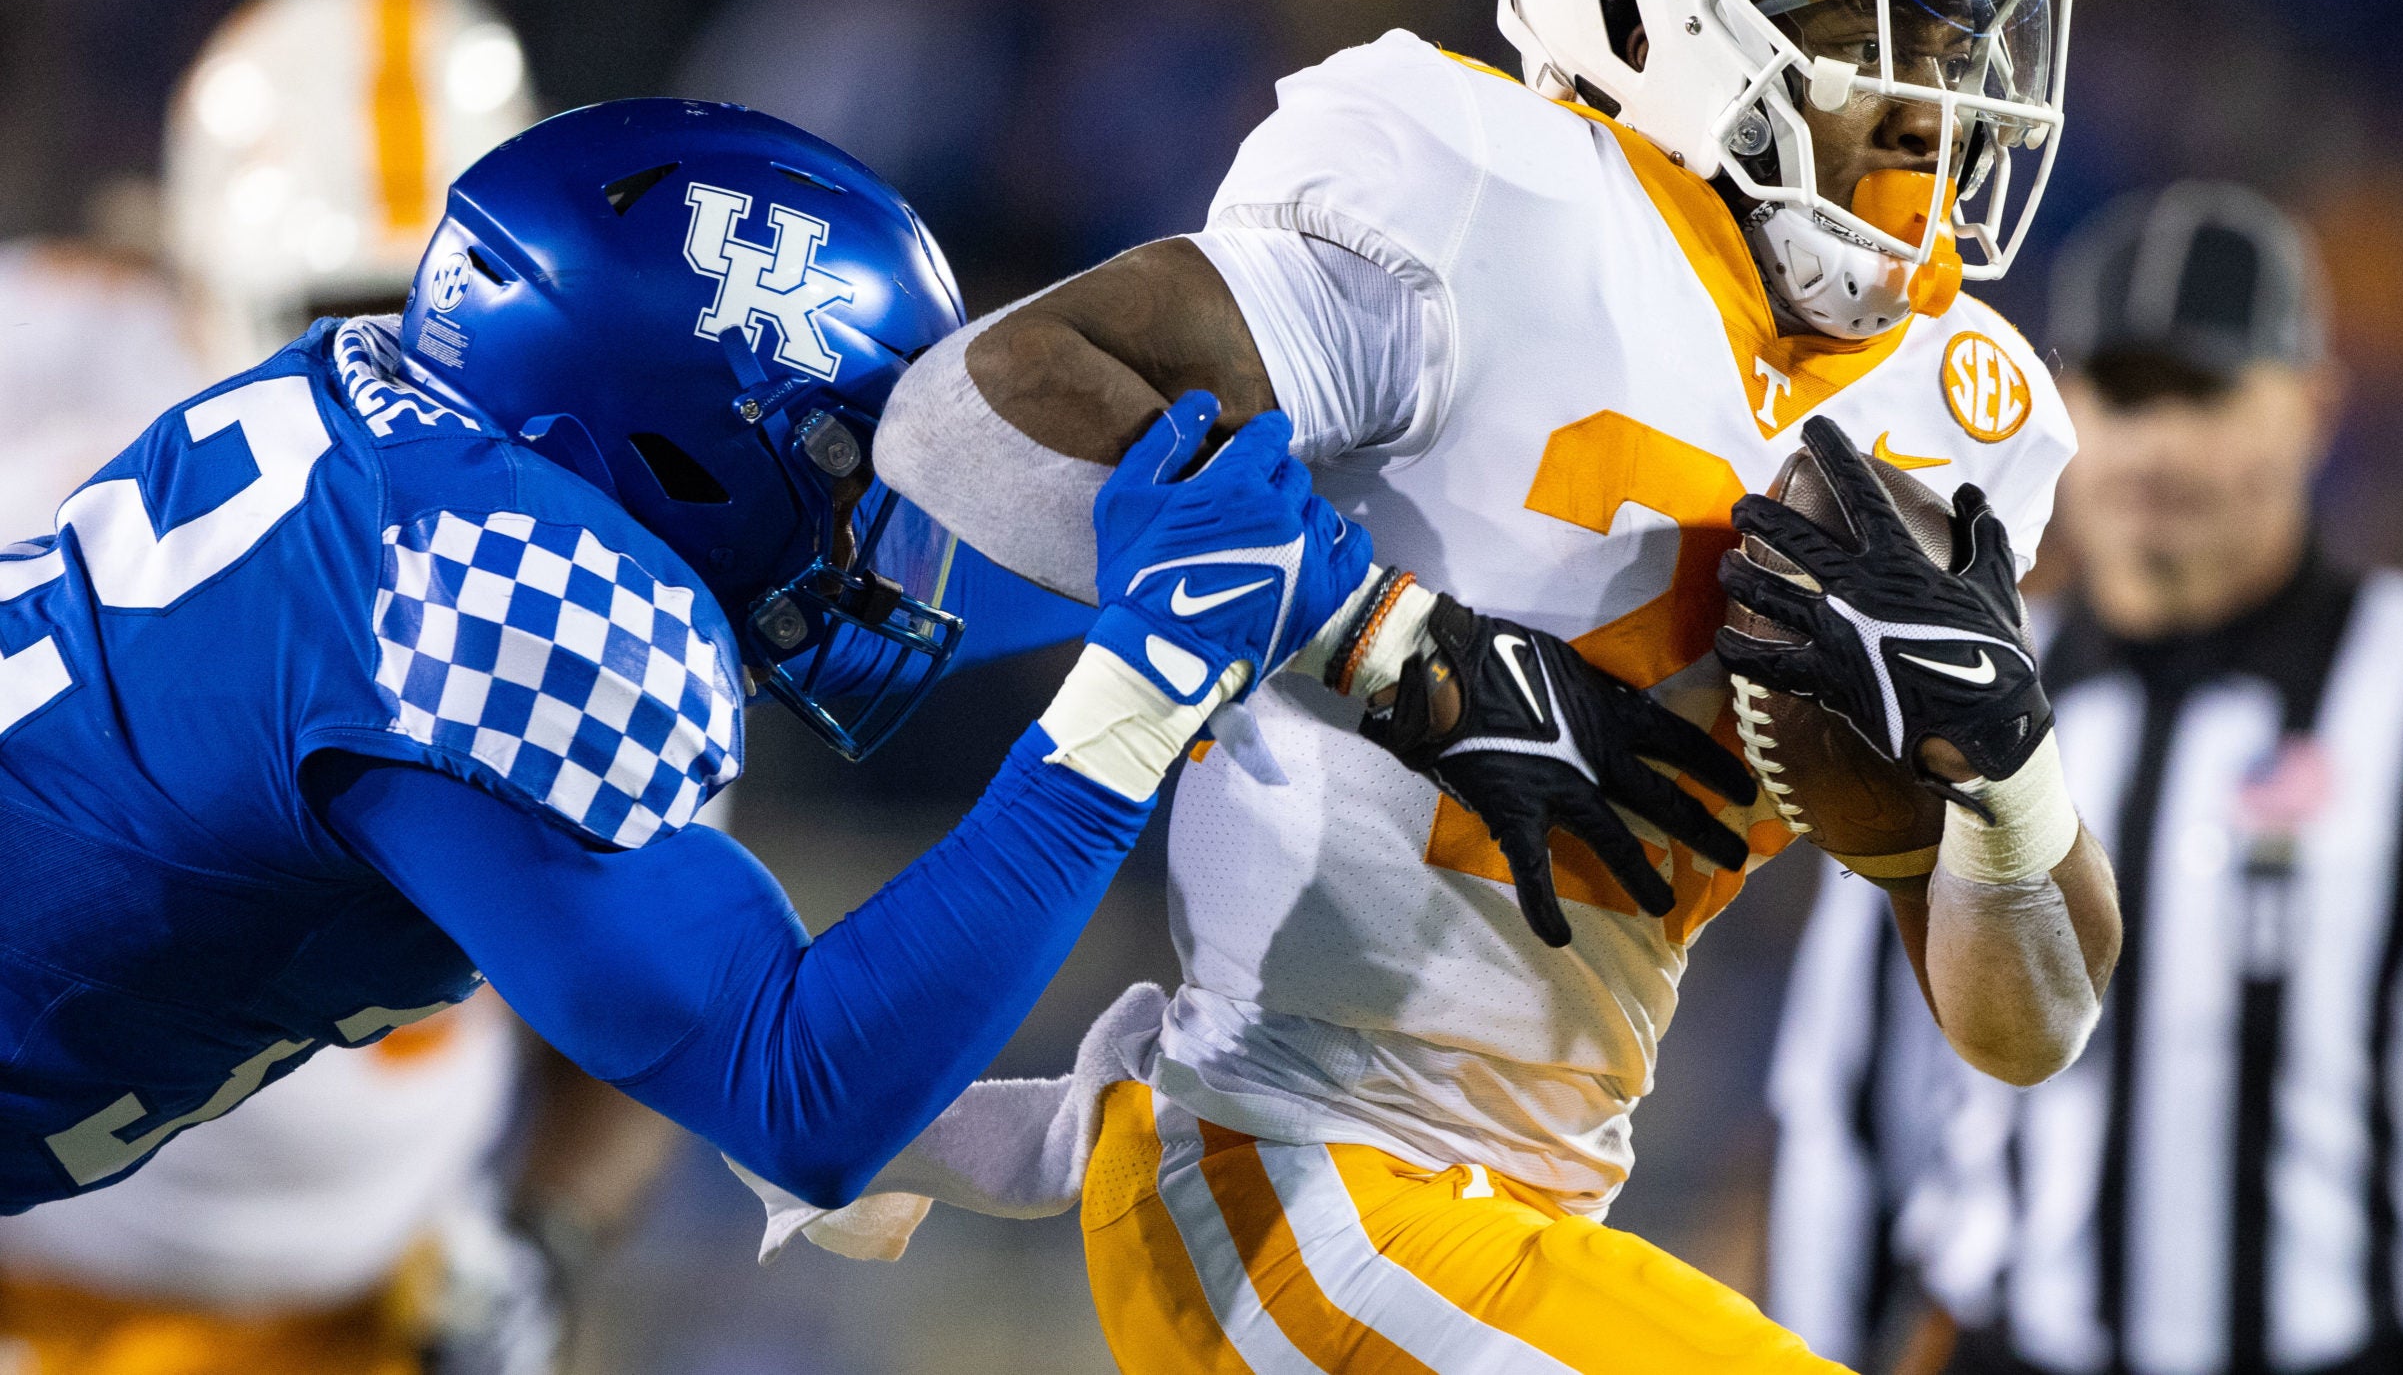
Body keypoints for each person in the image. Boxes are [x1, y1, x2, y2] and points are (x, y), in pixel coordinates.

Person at [849, 0, 2120, 1371]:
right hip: (1281, 1162)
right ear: (1650, 3)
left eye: (1955, 36)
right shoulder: (1486, 195)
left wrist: (2005, 774)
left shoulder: (1965, 414)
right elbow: (969, 414)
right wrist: (1380, 637)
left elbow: (2025, 1022)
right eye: (1856, 13)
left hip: (1518, 1214)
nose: (1927, 96)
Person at [0, 90, 1423, 1299]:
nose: (873, 527)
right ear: (680, 443)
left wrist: (1205, 553)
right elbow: (802, 1096)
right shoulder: (490, 605)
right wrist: (1148, 681)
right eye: (851, 467)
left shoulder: (404, 443)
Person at [0, 0, 670, 1375]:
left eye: (434, 301)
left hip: (359, 1308)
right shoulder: (42, 373)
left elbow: (670, 1000)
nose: (398, 372)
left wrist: (544, 1243)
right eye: (344, 302)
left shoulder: (585, 565)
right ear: (202, 266)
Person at [1763, 184, 2403, 1375]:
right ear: (2065, 408)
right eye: (2124, 395)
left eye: (2205, 391)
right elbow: (1846, 1099)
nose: (2157, 444)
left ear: (2313, 408)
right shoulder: (1949, 688)